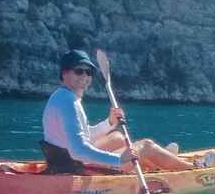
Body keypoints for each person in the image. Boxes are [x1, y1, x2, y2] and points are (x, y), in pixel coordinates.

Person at [40, 50, 205, 175]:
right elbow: (78, 150)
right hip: (76, 166)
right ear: (64, 73)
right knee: (146, 145)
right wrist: (119, 159)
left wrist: (109, 123)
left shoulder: (63, 97)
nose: (85, 76)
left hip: (66, 161)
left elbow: (81, 136)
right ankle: (196, 169)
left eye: (88, 72)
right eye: (79, 71)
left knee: (118, 137)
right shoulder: (68, 102)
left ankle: (159, 164)